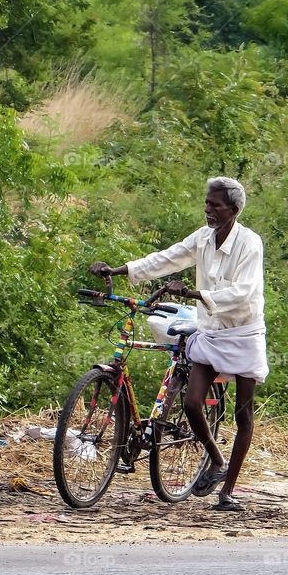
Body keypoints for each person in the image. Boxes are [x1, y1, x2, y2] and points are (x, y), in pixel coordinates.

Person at [89, 177, 267, 512]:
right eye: (207, 203)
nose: (208, 209)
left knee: (244, 414)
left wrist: (198, 294)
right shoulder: (203, 238)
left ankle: (227, 492)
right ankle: (216, 460)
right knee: (191, 403)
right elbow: (166, 258)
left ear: (234, 209)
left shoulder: (250, 244)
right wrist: (120, 269)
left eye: (215, 205)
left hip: (243, 332)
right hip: (211, 330)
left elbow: (245, 291)